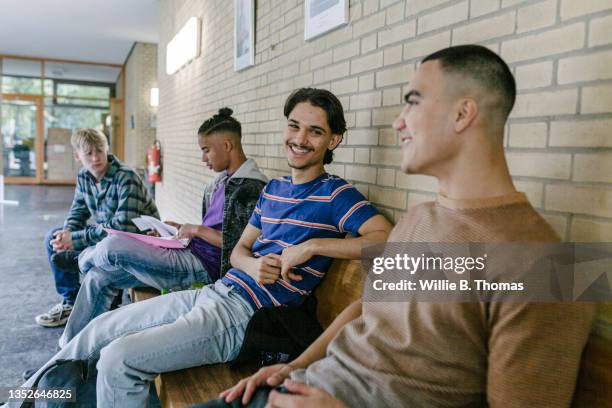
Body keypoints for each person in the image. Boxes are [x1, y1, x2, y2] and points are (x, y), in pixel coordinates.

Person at [206, 45, 597, 408]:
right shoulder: (419, 218)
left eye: (413, 102)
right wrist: (293, 368)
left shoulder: (548, 265)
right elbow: (366, 310)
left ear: (462, 114)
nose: (398, 123)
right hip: (302, 385)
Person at [11, 88, 392, 407]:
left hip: (242, 317)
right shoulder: (273, 190)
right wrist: (252, 265)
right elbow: (239, 251)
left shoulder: (335, 194)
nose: (300, 138)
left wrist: (311, 246)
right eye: (294, 125)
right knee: (99, 328)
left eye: (315, 131)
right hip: (217, 292)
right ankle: (23, 397)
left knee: (117, 359)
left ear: (333, 140)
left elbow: (387, 240)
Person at [58, 107, 268, 346]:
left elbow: (239, 246)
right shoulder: (223, 181)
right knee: (98, 277)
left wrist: (197, 230)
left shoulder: (250, 187)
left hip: (201, 267)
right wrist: (180, 229)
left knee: (113, 244)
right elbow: (217, 227)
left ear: (228, 145)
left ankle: (80, 260)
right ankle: (66, 353)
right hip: (188, 251)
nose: (203, 158)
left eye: (206, 150)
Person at [36, 128, 158, 327]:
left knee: (108, 243)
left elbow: (123, 226)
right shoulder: (84, 176)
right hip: (107, 236)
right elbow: (78, 211)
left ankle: (87, 268)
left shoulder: (126, 177)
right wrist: (66, 235)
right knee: (53, 237)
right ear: (78, 156)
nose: (95, 157)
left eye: (99, 151)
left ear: (107, 149)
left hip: (137, 242)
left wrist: (75, 239)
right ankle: (71, 302)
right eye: (89, 153)